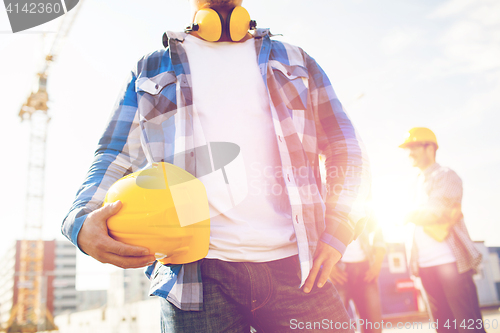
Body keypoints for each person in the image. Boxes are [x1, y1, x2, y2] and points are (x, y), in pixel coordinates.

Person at [61, 0, 371, 332]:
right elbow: (114, 154)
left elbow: (344, 145)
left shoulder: (296, 61)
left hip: (300, 271)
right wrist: (79, 220)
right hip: (195, 279)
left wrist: (341, 222)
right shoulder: (150, 68)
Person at [400, 127, 485, 333]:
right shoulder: (413, 184)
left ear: (430, 148)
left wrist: (405, 214)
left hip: (452, 263)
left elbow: (437, 212)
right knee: (444, 328)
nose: (409, 153)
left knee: (468, 327)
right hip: (425, 266)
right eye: (408, 148)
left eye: (414, 147)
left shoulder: (446, 175)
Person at [329, 216, 386, 333]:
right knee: (335, 327)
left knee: (373, 326)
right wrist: (328, 267)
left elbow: (378, 232)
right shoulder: (328, 200)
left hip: (365, 270)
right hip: (338, 270)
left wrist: (377, 264)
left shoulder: (364, 201)